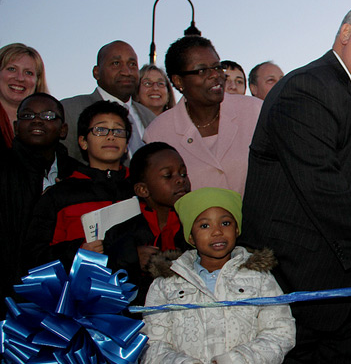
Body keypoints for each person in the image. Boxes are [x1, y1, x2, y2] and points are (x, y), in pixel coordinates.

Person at [240, 1, 351, 363]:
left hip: (343, 295)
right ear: (346, 33)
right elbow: (321, 186)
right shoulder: (307, 88)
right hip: (296, 291)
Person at [141, 187, 296, 363]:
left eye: (225, 223)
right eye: (204, 225)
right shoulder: (167, 283)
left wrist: (236, 360)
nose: (217, 232)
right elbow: (152, 343)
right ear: (190, 237)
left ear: (237, 229)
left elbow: (280, 332)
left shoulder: (259, 277)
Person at [143, 36, 262, 196]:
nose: (215, 75)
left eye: (217, 67)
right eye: (202, 70)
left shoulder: (254, 110)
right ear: (178, 81)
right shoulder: (158, 134)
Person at [26, 101, 135, 270]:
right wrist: (77, 251)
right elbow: (35, 255)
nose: (111, 136)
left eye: (119, 131)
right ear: (83, 142)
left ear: (127, 144)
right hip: (79, 291)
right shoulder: (60, 194)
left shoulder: (140, 188)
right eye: (100, 130)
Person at [0, 93, 79, 314]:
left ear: (63, 130)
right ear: (16, 127)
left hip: (67, 297)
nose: (37, 120)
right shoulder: (3, 171)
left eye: (47, 115)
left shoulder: (78, 175)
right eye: (27, 115)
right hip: (11, 297)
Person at [102, 142, 192, 308]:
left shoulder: (198, 226)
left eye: (183, 173)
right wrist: (131, 257)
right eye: (168, 175)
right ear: (143, 190)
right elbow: (104, 280)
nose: (180, 180)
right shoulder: (121, 234)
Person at [61, 41, 156, 162]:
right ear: (96, 72)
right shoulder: (70, 110)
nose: (126, 72)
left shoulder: (151, 118)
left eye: (132, 64)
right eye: (116, 63)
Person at [0, 43, 49, 149]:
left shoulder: (50, 124)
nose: (20, 78)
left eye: (28, 72)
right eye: (12, 69)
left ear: (37, 81)